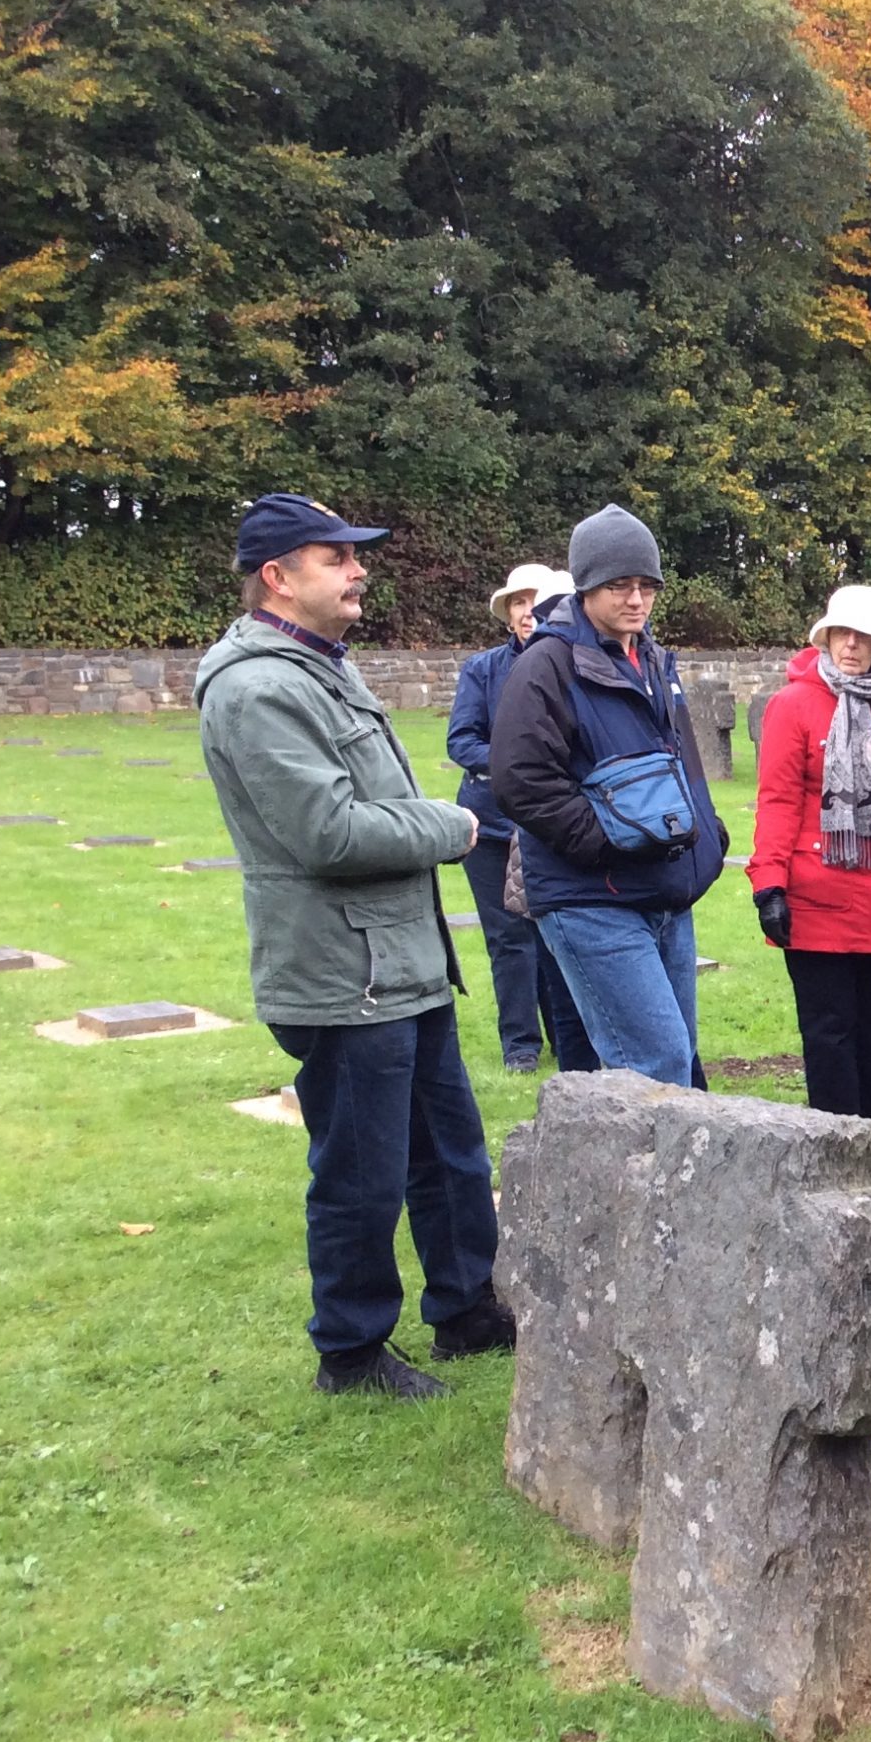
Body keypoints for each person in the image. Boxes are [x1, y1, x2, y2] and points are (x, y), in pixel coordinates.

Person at [195, 493, 512, 1402]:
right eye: (336, 558)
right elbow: (327, 833)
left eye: (353, 556)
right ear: (277, 577)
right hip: (341, 974)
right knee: (360, 1172)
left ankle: (465, 1311)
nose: (358, 570)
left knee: (449, 1153)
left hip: (400, 966)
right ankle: (352, 1351)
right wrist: (451, 825)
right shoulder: (257, 686)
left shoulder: (319, 667)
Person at [491, 505, 729, 1088]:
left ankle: (674, 1182)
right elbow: (519, 778)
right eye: (619, 585)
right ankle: (639, 1182)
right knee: (653, 1068)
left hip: (666, 892)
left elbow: (680, 765)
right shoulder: (547, 665)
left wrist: (708, 833)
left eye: (647, 586)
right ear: (586, 586)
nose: (636, 599)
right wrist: (606, 842)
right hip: (592, 897)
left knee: (679, 1062)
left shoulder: (649, 658)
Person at [749, 587, 871, 1179]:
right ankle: (835, 1147)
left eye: (863, 636)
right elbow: (778, 801)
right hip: (818, 893)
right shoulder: (794, 705)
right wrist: (769, 886)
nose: (851, 646)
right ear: (826, 637)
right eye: (842, 634)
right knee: (829, 1030)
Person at [446, 562, 598, 1076]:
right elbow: (461, 740)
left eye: (537, 600)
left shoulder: (578, 663)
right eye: (518, 602)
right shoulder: (483, 670)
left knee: (560, 935)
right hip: (492, 826)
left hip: (552, 823)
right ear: (509, 614)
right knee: (509, 939)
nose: (529, 611)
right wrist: (519, 763)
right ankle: (520, 1045)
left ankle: (568, 1037)